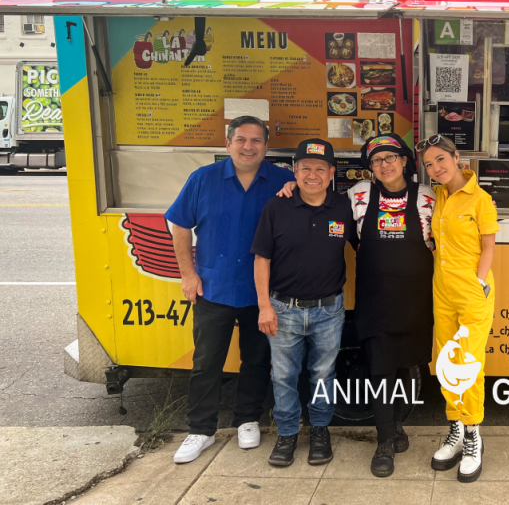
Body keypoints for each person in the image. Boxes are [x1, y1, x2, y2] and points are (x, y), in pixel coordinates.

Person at [278, 133, 436, 477]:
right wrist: (292, 189)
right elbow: (320, 202)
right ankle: (383, 442)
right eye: (377, 160)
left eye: (391, 158)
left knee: (408, 367)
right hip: (376, 297)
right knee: (380, 368)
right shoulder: (357, 196)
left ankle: (396, 427)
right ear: (370, 168)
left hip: (416, 299)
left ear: (405, 161)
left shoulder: (428, 198)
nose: (385, 165)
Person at [166, 116, 294, 464]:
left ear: (266, 146)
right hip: (214, 287)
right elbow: (179, 226)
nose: (248, 147)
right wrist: (188, 274)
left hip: (262, 294)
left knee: (256, 359)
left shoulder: (284, 181)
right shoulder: (202, 179)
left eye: (256, 141)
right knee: (207, 362)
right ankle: (201, 430)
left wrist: (295, 191)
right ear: (228, 143)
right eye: (241, 140)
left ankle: (247, 419)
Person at [252, 138, 355, 467]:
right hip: (283, 308)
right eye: (305, 168)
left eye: (320, 168)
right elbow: (261, 259)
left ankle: (321, 430)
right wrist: (264, 307)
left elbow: (368, 245)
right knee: (283, 376)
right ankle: (287, 433)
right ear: (294, 171)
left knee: (323, 374)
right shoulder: (276, 207)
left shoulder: (343, 207)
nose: (313, 174)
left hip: (329, 309)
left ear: (331, 173)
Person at [418, 134, 498, 483]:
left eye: (440, 159)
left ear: (456, 156)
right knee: (445, 363)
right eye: (429, 165)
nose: (436, 169)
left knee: (469, 364)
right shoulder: (436, 195)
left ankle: (473, 437)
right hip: (442, 293)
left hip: (471, 294)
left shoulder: (480, 199)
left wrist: (480, 282)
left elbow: (490, 246)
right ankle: (456, 428)